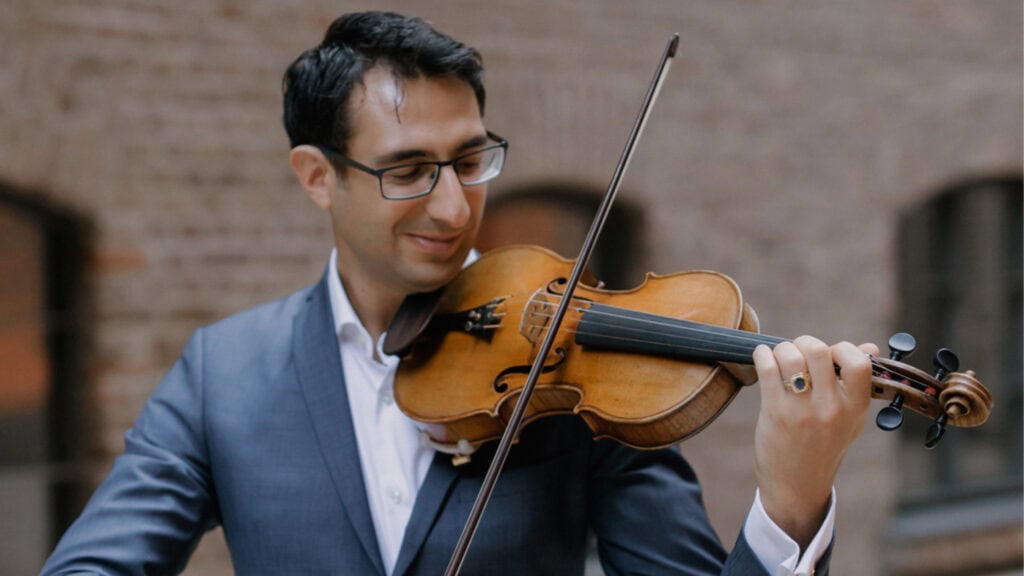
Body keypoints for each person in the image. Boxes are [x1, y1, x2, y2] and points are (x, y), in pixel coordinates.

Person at [42, 11, 878, 576]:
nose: (453, 206)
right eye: (408, 170)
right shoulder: (221, 374)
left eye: (471, 161)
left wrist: (790, 504)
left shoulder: (583, 367)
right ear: (317, 177)